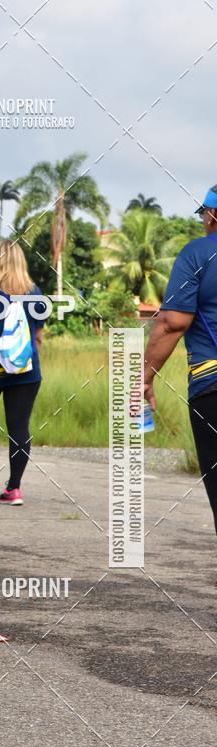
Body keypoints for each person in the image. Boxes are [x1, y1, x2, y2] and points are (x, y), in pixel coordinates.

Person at [144, 185, 217, 534]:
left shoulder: (198, 253)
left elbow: (173, 321)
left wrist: (145, 376)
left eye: (205, 213)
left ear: (212, 215)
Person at [0, 241, 45, 505]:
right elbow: (38, 337)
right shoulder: (36, 293)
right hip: (26, 370)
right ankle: (14, 489)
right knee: (19, 427)